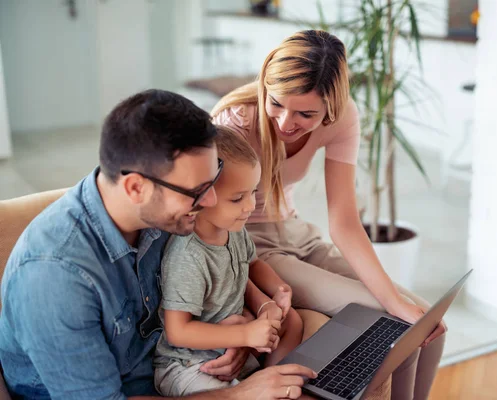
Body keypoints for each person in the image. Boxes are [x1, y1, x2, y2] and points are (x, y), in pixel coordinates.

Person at [0, 89, 315, 399]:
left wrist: (242, 330)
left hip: (178, 367)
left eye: (213, 178)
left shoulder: (166, 213)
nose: (210, 200)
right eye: (197, 190)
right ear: (136, 188)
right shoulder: (54, 277)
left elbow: (223, 270)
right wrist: (243, 394)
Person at [212, 30, 447, 400]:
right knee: (399, 321)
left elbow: (344, 221)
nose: (286, 122)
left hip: (298, 233)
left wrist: (398, 298)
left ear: (331, 109)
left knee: (431, 321)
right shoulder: (235, 123)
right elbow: (210, 223)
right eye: (277, 104)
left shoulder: (344, 118)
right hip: (255, 246)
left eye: (306, 113)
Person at [154, 126, 303, 396]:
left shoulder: (234, 230)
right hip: (192, 364)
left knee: (293, 322)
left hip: (234, 336)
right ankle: (264, 384)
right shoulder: (188, 256)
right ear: (201, 198)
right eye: (237, 198)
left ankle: (273, 377)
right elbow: (178, 331)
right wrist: (246, 335)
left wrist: (276, 292)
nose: (249, 206)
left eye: (252, 193)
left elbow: (253, 265)